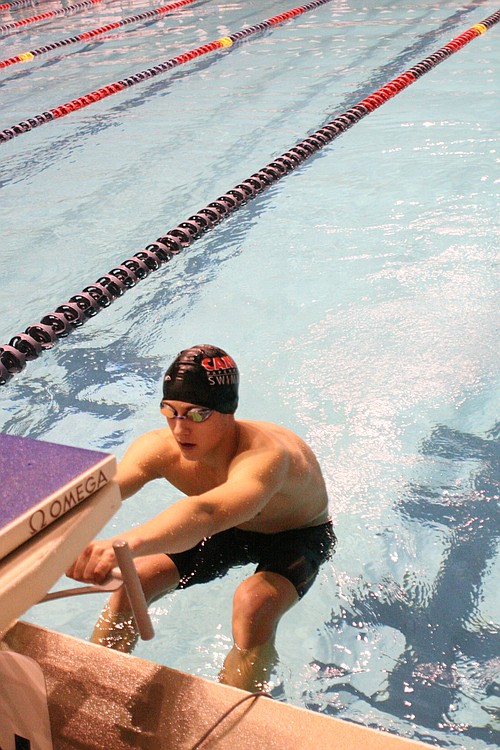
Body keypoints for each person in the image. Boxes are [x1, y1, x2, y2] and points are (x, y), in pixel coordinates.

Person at [67, 344, 336, 692]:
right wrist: (48, 531)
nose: (180, 429)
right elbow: (102, 491)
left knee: (254, 604)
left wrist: (124, 545)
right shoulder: (158, 448)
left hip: (296, 533)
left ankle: (237, 709)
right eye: (170, 411)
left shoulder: (267, 455)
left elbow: (204, 512)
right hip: (230, 526)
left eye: (196, 414)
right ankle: (93, 687)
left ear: (228, 412)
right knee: (134, 583)